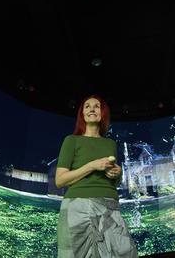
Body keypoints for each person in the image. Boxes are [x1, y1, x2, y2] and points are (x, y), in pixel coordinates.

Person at [55, 95, 138, 258]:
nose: (91, 109)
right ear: (82, 114)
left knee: (125, 253)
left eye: (96, 106)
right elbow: (60, 180)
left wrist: (117, 173)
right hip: (78, 205)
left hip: (109, 205)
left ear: (103, 113)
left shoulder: (110, 144)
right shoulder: (71, 140)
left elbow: (113, 182)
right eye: (87, 106)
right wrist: (92, 166)